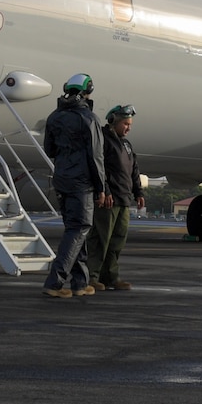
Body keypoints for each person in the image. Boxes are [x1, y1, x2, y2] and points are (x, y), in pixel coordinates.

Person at [40, 73, 105, 298]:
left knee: (75, 231)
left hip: (61, 179)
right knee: (79, 229)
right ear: (87, 92)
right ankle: (54, 282)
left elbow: (49, 150)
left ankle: (80, 283)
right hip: (82, 182)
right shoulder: (89, 119)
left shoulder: (54, 117)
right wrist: (101, 188)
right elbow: (96, 157)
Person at [85, 104, 143, 292]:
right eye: (125, 124)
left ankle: (110, 276)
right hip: (109, 200)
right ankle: (92, 277)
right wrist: (105, 191)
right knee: (100, 239)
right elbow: (99, 167)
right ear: (114, 122)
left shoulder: (126, 145)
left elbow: (134, 171)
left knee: (117, 241)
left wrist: (139, 193)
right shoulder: (103, 140)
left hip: (124, 200)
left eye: (130, 124)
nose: (128, 127)